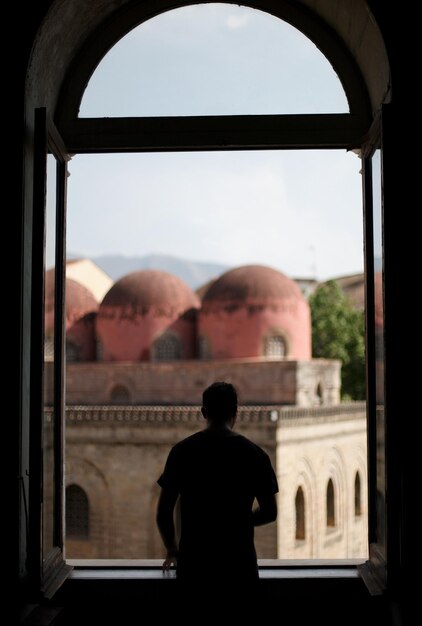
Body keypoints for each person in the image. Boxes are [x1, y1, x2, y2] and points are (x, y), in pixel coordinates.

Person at [156, 381, 278, 611]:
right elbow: (270, 512)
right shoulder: (255, 454)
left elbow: (163, 512)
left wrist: (172, 550)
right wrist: (238, 520)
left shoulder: (182, 451)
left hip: (195, 565)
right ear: (235, 412)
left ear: (204, 412)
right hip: (239, 565)